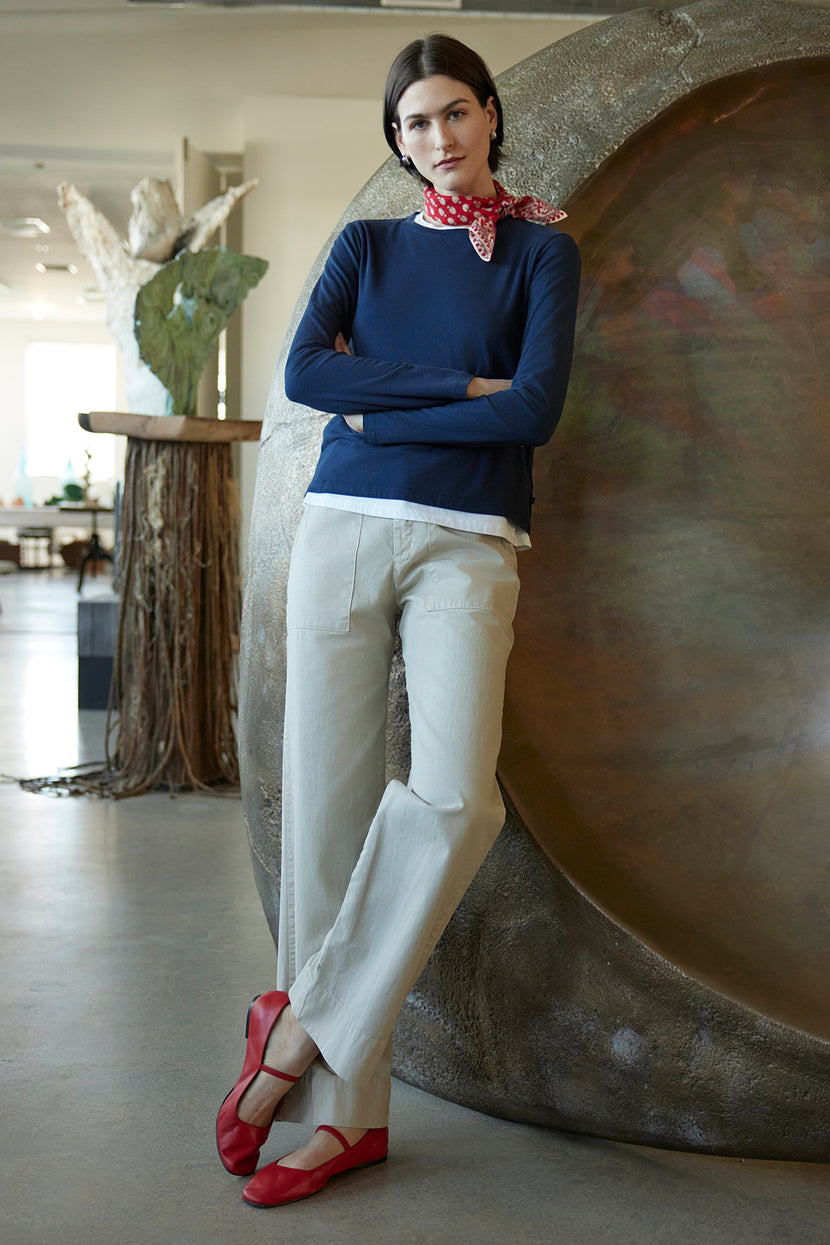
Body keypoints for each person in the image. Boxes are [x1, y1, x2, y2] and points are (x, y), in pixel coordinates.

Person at [216, 33, 581, 1208]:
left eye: (454, 114)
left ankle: (295, 1032)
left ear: (489, 116)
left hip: (470, 544)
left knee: (453, 798)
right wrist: (453, 393)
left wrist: (399, 408)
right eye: (412, 124)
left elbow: (532, 411)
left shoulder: (539, 252)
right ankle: (342, 1122)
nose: (437, 139)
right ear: (398, 141)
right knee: (323, 814)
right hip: (340, 529)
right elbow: (310, 381)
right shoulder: (366, 245)